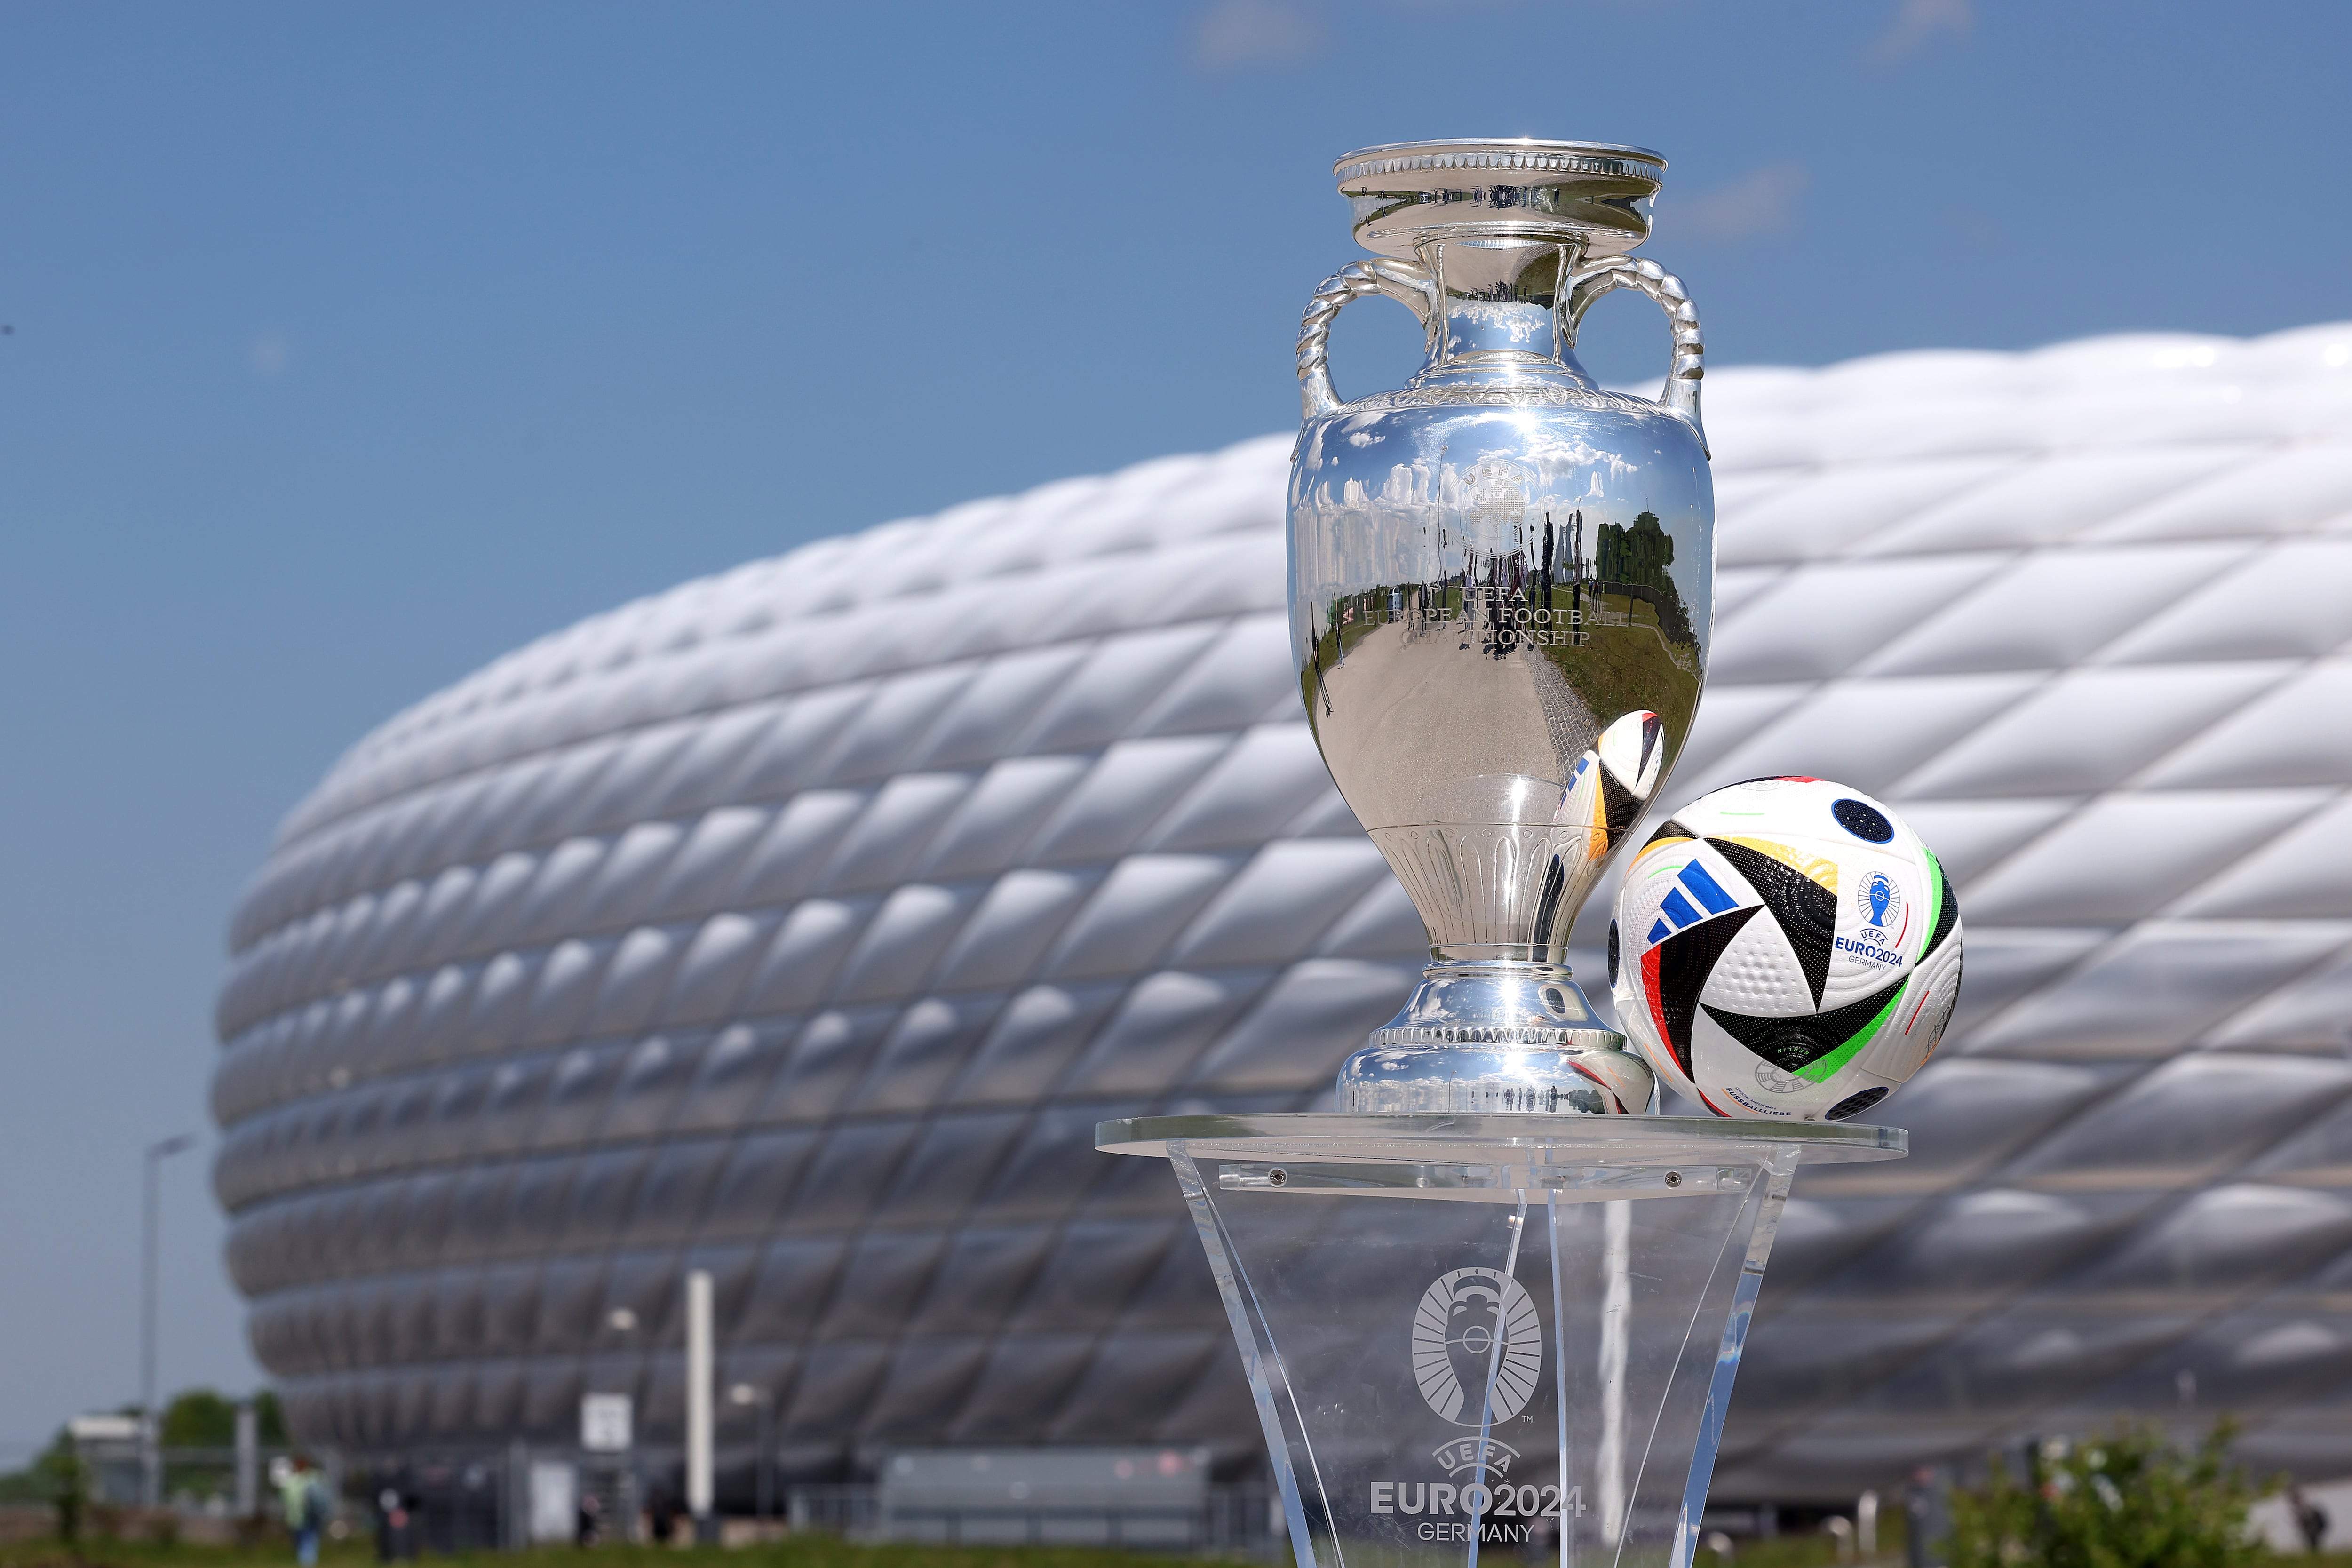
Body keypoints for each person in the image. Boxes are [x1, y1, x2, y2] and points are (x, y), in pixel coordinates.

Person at [279, 1456, 328, 1568]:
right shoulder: (314, 1478)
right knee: (304, 1540)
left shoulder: (311, 1479)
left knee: (308, 1539)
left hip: (308, 1516)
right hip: (298, 1517)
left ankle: (307, 1563)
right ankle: (306, 1560)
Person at [2290, 1485, 2329, 1553]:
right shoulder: (2301, 1507)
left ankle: (2315, 1554)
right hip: (2313, 1525)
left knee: (2313, 1540)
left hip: (2316, 1524)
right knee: (2312, 1541)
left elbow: (2310, 1518)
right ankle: (2315, 1554)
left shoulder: (2305, 1507)